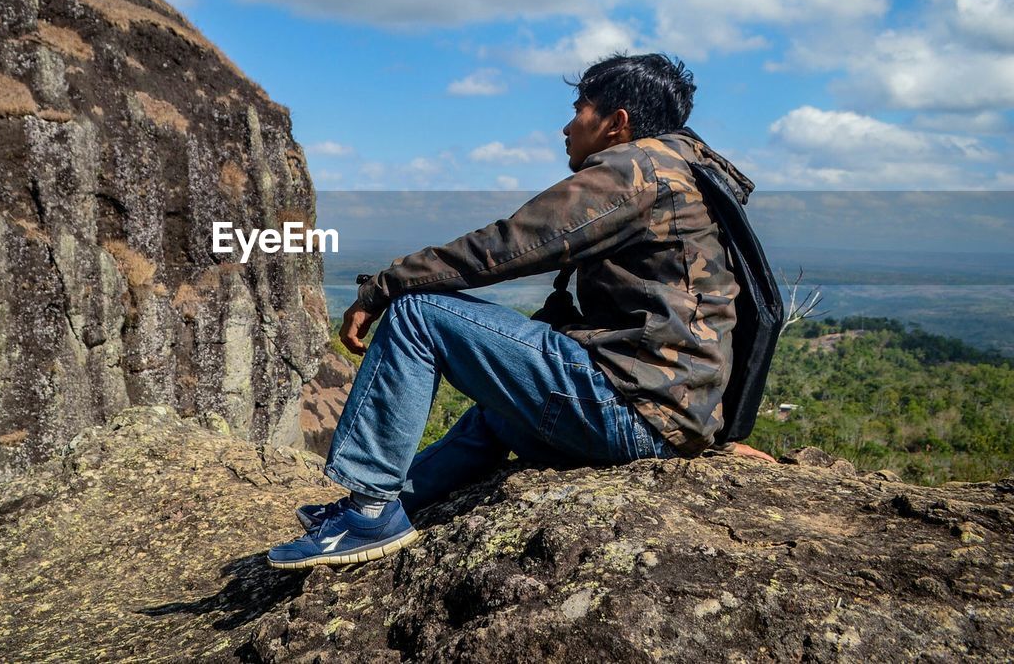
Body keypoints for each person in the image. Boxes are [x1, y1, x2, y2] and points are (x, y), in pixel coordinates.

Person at [267, 53, 772, 571]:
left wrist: (381, 288)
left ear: (616, 122)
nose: (566, 125)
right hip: (667, 420)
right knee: (495, 413)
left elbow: (506, 247)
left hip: (629, 411)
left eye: (581, 109)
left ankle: (368, 513)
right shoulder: (693, 173)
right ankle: (392, 505)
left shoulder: (636, 171)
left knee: (418, 312)